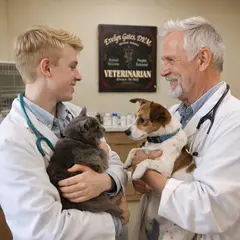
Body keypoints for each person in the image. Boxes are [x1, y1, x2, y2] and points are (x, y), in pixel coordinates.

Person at [0, 25, 129, 240]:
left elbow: (114, 160)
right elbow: (44, 230)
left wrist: (106, 181)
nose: (79, 76)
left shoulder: (76, 114)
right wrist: (115, 222)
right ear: (47, 68)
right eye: (73, 66)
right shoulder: (11, 140)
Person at [131, 16, 240, 240]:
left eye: (170, 60)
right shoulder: (172, 114)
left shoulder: (234, 120)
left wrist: (149, 174)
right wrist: (142, 180)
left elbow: (212, 208)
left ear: (202, 59)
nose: (163, 72)